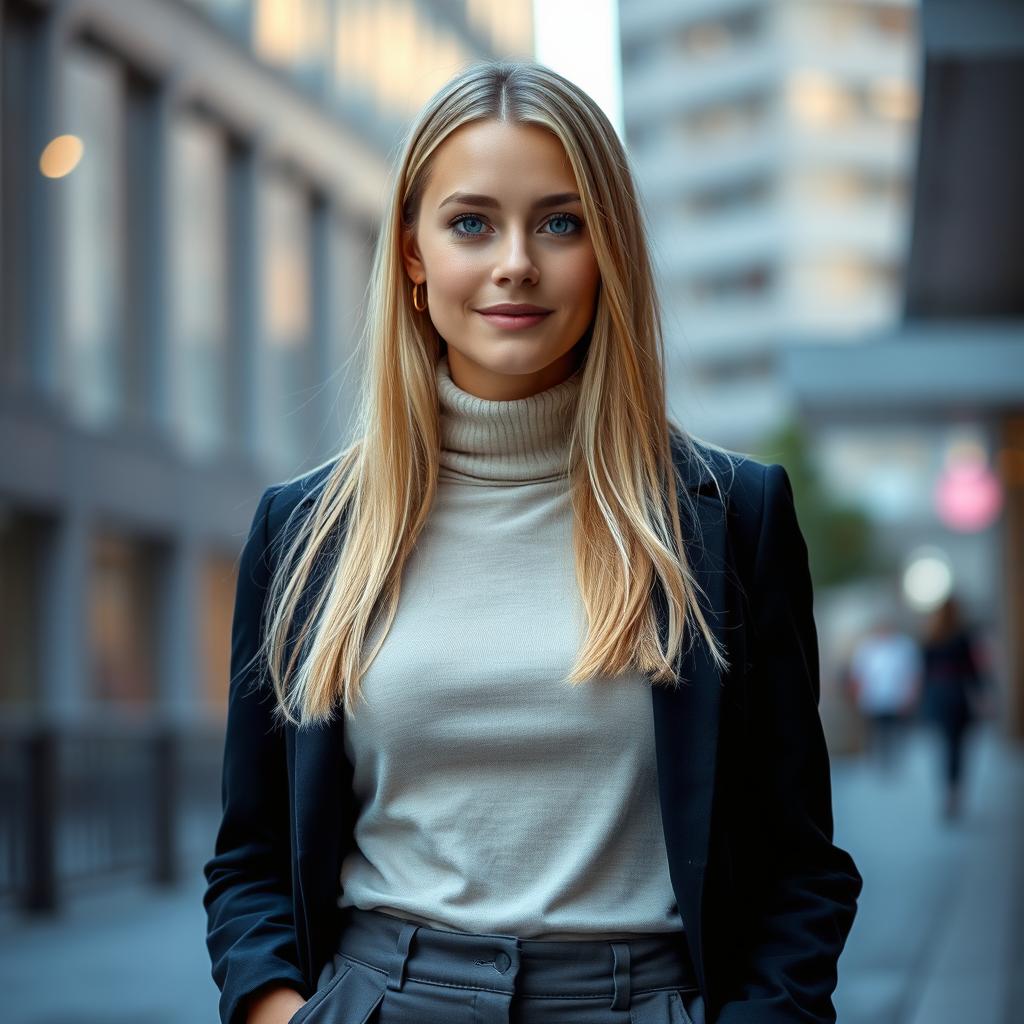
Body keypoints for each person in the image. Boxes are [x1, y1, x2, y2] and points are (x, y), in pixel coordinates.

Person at [203, 59, 862, 1024]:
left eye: (561, 222)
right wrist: (278, 1013)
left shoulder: (731, 516)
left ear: (610, 252)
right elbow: (250, 855)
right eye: (472, 222)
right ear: (415, 255)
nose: (517, 260)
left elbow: (799, 865)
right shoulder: (308, 533)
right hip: (378, 998)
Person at [919, 594, 990, 820]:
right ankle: (954, 791)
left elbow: (924, 672)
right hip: (957, 694)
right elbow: (973, 671)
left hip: (938, 695)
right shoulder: (963, 636)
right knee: (957, 746)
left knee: (946, 745)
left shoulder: (931, 637)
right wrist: (982, 696)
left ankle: (949, 791)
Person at [848, 614, 922, 773]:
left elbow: (913, 673)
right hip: (873, 698)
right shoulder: (866, 647)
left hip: (897, 697)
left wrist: (911, 696)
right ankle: (880, 761)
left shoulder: (904, 646)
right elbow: (858, 674)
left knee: (896, 730)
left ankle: (895, 760)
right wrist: (857, 695)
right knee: (877, 731)